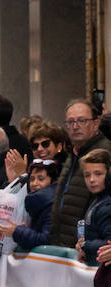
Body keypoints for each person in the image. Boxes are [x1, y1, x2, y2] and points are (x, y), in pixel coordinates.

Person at [48, 98, 111, 247]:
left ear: (96, 123)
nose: (75, 126)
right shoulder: (73, 153)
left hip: (90, 248)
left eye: (82, 121)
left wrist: (86, 245)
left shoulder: (105, 154)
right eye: (70, 122)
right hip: (63, 243)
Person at [75, 148, 111, 264]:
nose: (92, 180)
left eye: (98, 174)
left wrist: (85, 245)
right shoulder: (98, 200)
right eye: (87, 175)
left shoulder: (107, 205)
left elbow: (108, 243)